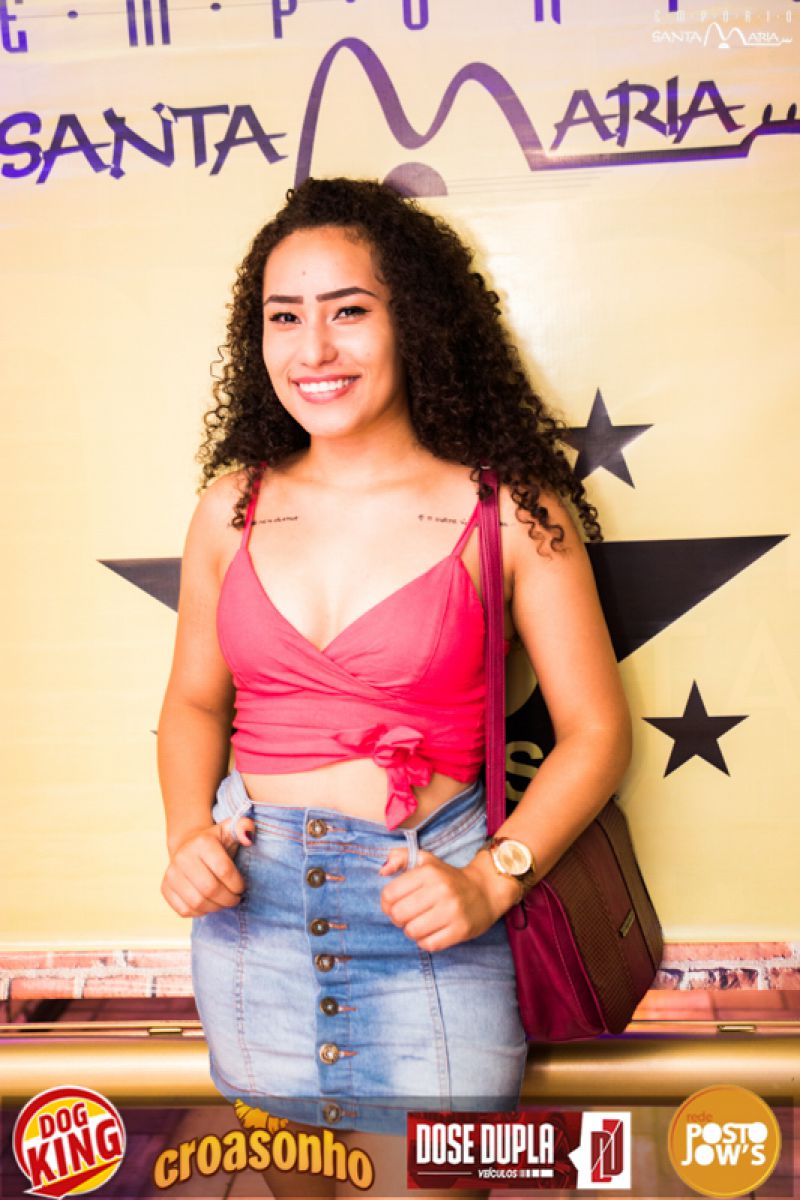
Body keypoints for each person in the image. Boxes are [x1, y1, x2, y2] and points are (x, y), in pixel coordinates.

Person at [157, 176, 631, 1198]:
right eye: (284, 317)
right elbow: (194, 702)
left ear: (411, 320)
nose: (313, 349)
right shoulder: (229, 508)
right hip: (252, 920)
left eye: (348, 311)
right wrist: (187, 835)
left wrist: (492, 881)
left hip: (433, 915)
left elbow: (596, 731)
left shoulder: (508, 508)